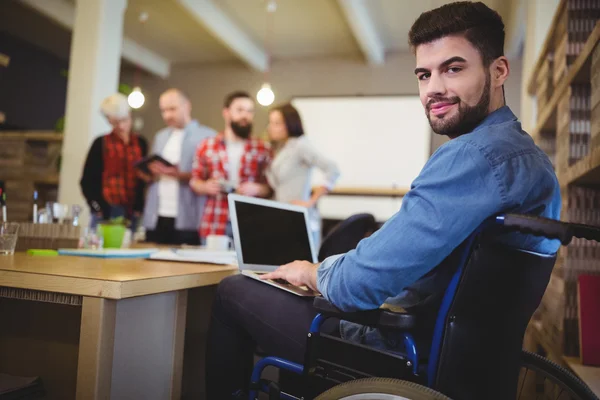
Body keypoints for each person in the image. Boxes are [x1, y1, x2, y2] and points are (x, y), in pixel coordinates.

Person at [204, 2, 563, 398]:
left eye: (453, 68)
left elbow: (360, 285)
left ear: (498, 70)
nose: (434, 89)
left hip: (399, 351)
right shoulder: (531, 161)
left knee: (232, 290)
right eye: (424, 75)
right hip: (466, 360)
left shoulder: (475, 156)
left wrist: (312, 272)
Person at [190, 91, 271, 242]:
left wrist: (258, 188)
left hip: (250, 221)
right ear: (226, 113)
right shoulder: (207, 145)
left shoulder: (262, 148)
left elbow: (271, 187)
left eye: (249, 111)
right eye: (240, 110)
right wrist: (206, 186)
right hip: (214, 221)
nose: (245, 116)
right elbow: (195, 181)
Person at [142, 88, 216, 245]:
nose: (167, 115)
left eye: (172, 109)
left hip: (189, 217)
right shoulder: (160, 136)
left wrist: (178, 174)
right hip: (157, 214)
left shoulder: (207, 136)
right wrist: (151, 172)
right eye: (163, 110)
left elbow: (211, 179)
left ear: (187, 106)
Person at [265, 103, 340, 248]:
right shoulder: (283, 148)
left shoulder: (301, 145)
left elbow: (333, 169)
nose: (270, 127)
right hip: (282, 216)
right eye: (270, 122)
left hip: (298, 218)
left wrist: (311, 201)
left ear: (290, 124)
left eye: (276, 123)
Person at [80, 93, 148, 229]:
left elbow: (143, 179)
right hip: (108, 208)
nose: (121, 126)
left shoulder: (141, 143)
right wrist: (97, 207)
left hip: (133, 210)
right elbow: (87, 180)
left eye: (124, 120)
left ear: (130, 115)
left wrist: (139, 206)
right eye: (116, 122)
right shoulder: (101, 143)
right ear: (109, 121)